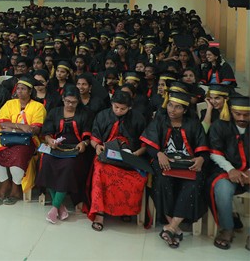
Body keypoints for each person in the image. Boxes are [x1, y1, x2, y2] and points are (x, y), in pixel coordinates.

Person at [140, 84, 209, 248]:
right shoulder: (160, 121)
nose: (172, 110)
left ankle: (170, 227)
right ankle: (174, 227)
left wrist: (201, 159)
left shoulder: (193, 124)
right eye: (170, 105)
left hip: (187, 164)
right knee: (161, 181)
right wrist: (159, 153)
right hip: (165, 162)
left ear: (185, 110)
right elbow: (150, 144)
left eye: (178, 107)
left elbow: (203, 150)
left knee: (193, 183)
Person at [0, 75, 46, 205]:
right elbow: (1, 124)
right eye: (18, 88)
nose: (19, 91)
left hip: (28, 141)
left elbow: (34, 130)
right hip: (5, 138)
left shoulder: (38, 106)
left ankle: (16, 187)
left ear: (30, 91)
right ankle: (5, 182)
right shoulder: (10, 104)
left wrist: (13, 126)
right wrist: (20, 126)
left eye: (23, 89)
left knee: (19, 155)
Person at [87, 90, 148, 232]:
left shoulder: (138, 118)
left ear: (130, 107)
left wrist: (136, 154)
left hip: (131, 157)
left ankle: (125, 211)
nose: (119, 111)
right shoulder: (102, 115)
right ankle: (100, 213)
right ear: (112, 104)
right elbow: (94, 138)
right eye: (116, 107)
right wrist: (97, 147)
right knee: (100, 172)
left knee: (136, 178)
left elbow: (145, 144)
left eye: (123, 109)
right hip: (106, 156)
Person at [36, 86, 93, 223]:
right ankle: (59, 206)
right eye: (67, 101)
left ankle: (54, 207)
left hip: (75, 149)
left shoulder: (85, 113)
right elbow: (47, 132)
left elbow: (88, 136)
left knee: (68, 166)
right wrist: (50, 141)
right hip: (57, 146)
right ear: (63, 99)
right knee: (46, 161)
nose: (70, 105)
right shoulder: (55, 112)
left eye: (73, 102)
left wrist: (84, 144)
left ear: (78, 101)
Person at [206, 93, 250, 251]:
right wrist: (231, 169)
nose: (242, 118)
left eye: (247, 114)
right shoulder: (220, 125)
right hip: (225, 169)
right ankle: (227, 229)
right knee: (222, 189)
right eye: (238, 114)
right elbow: (214, 152)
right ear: (230, 111)